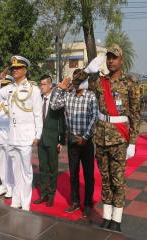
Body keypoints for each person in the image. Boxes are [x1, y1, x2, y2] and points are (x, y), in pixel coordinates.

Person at [79, 45, 141, 231]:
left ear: (121, 60)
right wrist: (87, 70)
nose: (111, 61)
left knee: (118, 180)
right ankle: (106, 216)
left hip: (120, 139)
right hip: (101, 137)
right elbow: (76, 82)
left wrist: (132, 142)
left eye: (114, 57)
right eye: (109, 58)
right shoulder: (99, 82)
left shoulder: (130, 83)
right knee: (105, 179)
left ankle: (117, 219)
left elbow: (136, 115)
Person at [0, 55, 43, 211]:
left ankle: (25, 204)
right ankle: (16, 200)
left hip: (26, 136)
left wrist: (37, 134)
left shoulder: (33, 89)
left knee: (26, 172)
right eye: (13, 68)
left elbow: (38, 114)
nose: (15, 70)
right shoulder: (9, 88)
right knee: (15, 170)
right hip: (12, 136)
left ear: (25, 70)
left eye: (18, 68)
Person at [51, 69, 98, 216]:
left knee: (89, 175)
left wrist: (85, 137)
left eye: (79, 82)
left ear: (84, 82)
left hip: (86, 142)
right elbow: (53, 105)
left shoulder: (91, 97)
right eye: (74, 82)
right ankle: (75, 202)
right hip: (72, 141)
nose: (76, 85)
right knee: (73, 174)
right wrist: (60, 88)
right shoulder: (68, 95)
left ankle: (88, 204)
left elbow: (95, 117)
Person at [33, 75, 66, 208]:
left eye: (44, 84)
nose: (42, 87)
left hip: (52, 139)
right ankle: (43, 194)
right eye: (41, 84)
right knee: (42, 168)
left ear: (50, 85)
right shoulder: (39, 99)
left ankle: (51, 195)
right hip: (41, 139)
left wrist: (61, 140)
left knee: (53, 169)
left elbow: (61, 121)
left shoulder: (56, 99)